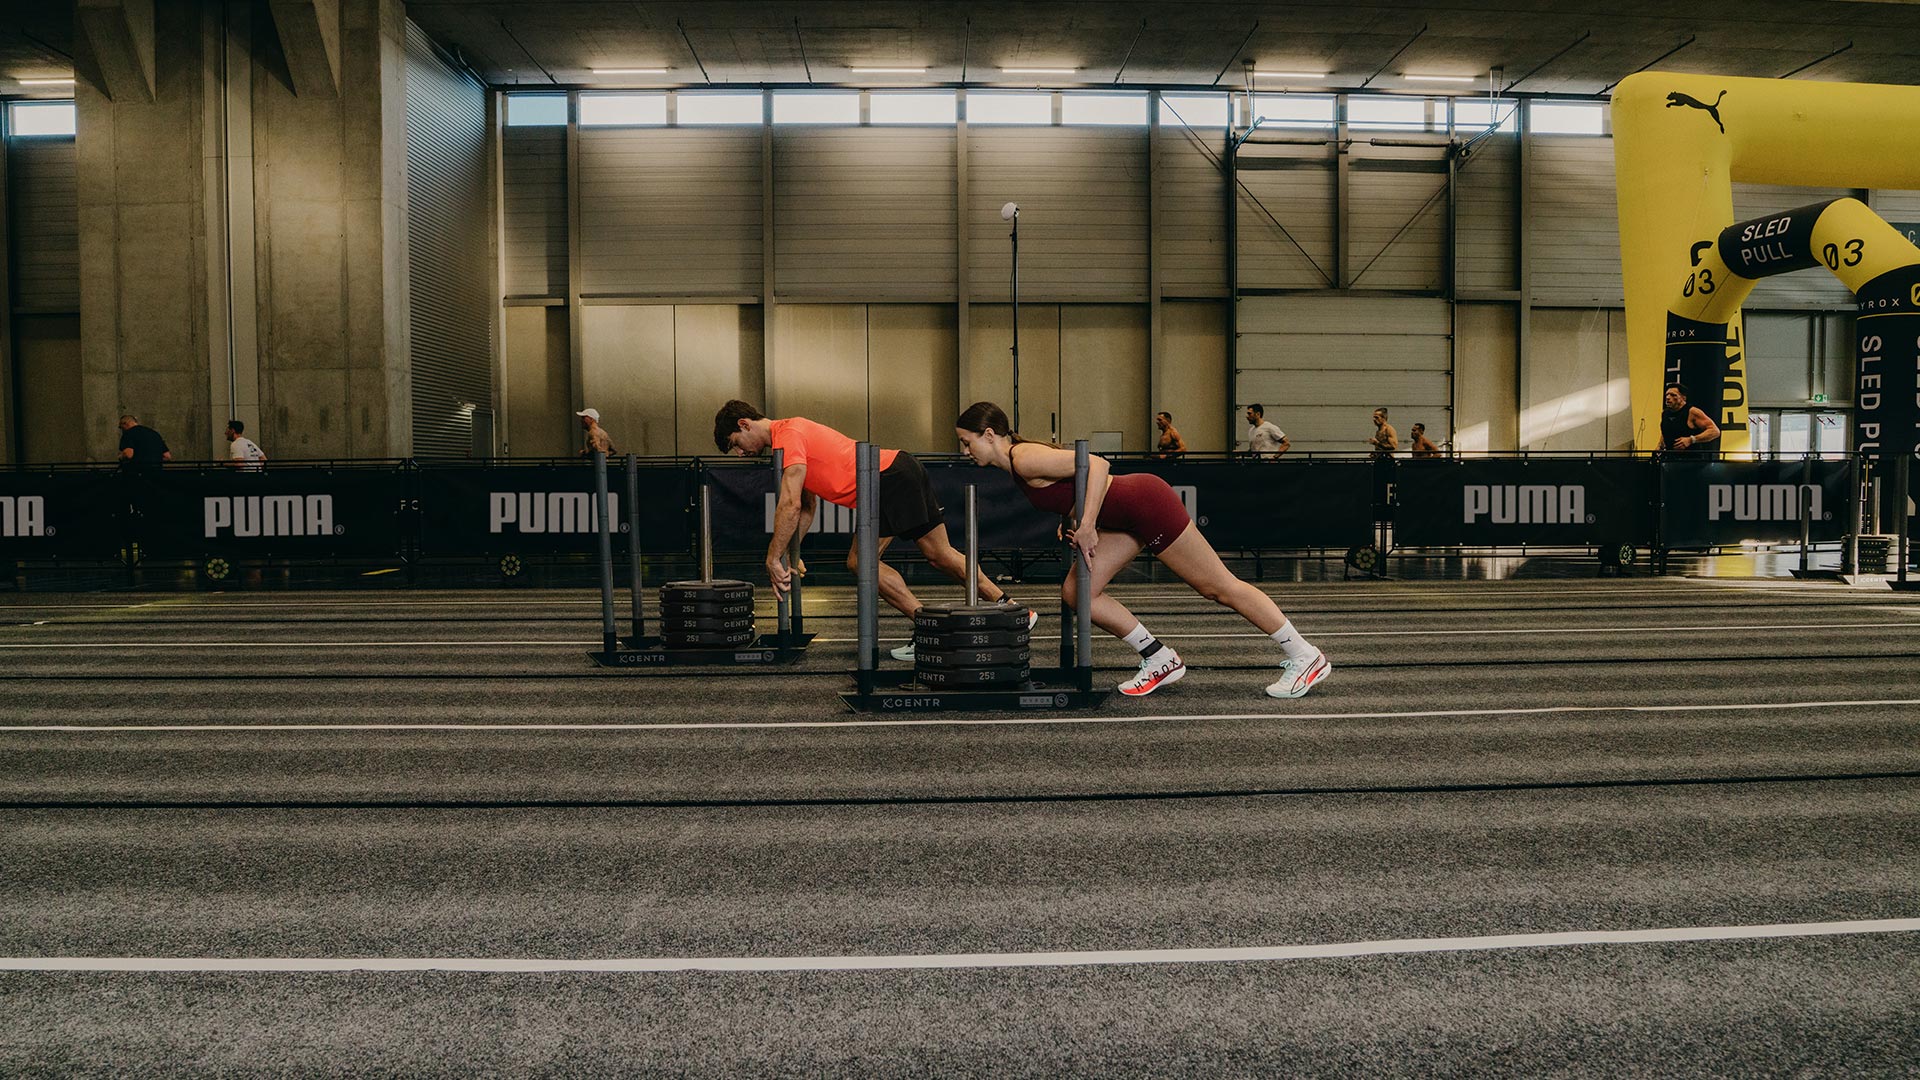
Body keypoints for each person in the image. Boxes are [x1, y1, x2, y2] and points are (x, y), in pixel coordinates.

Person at [956, 401, 1331, 700]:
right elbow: (1071, 485)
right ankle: (1159, 658)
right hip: (1123, 518)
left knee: (1219, 587)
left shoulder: (1023, 458)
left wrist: (1087, 525)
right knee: (1077, 592)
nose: (965, 450)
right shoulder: (1017, 464)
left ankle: (1305, 655)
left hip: (1145, 505)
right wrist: (1071, 516)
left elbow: (1097, 465)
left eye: (967, 441)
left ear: (988, 434)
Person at [713, 400, 1031, 661]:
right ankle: (1014, 609)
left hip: (886, 478)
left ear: (744, 424)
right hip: (898, 469)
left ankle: (929, 628)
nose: (740, 453)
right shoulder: (789, 437)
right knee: (940, 554)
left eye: (735, 444)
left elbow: (790, 504)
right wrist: (789, 552)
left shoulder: (788, 433)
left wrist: (773, 558)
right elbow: (807, 506)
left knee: (862, 562)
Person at [1657, 383, 1720, 454]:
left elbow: (1715, 431)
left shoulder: (1692, 412)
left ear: (1683, 398)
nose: (1668, 397)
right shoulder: (1665, 413)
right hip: (1670, 457)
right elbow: (1666, 432)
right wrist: (1659, 447)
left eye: (1673, 395)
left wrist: (1691, 440)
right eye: (1667, 395)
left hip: (1691, 458)